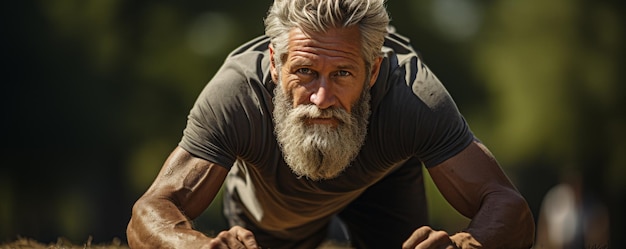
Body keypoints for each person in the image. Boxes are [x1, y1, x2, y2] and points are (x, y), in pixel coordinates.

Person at [126, 0, 535, 248]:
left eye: (341, 74)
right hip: (272, 208)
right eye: (305, 72)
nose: (321, 98)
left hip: (382, 184)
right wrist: (195, 247)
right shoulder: (237, 93)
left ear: (373, 72)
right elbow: (151, 210)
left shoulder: (413, 97)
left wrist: (468, 246)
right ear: (274, 63)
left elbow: (511, 209)